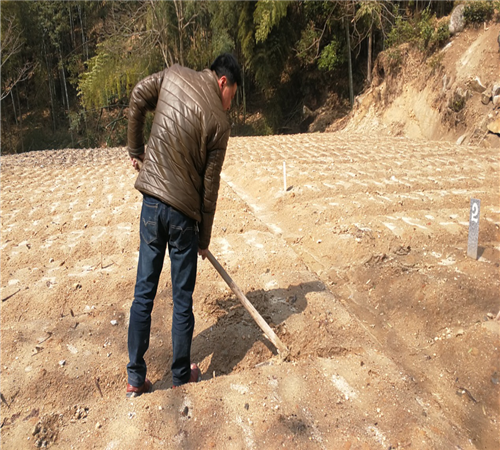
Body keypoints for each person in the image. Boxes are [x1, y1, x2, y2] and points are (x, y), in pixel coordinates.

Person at [125, 54, 241, 397]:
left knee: (143, 291)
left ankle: (135, 379)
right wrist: (203, 238)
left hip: (151, 204)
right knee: (182, 298)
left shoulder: (173, 75)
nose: (230, 104)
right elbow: (210, 187)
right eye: (233, 95)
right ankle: (180, 376)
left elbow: (137, 96)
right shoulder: (219, 122)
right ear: (223, 82)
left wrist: (136, 149)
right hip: (184, 216)